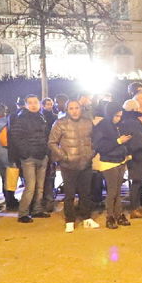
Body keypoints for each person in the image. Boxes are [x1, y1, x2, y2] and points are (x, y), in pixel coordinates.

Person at [48, 98, 98, 231]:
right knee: (69, 194)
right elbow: (52, 142)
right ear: (67, 110)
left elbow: (95, 140)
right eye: (71, 108)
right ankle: (69, 220)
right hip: (68, 165)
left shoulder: (88, 122)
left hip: (85, 162)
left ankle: (86, 217)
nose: (74, 111)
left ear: (81, 109)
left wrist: (91, 153)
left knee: (85, 192)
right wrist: (64, 157)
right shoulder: (60, 123)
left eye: (76, 108)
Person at [8, 95, 51, 224]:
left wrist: (46, 152)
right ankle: (23, 213)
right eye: (30, 103)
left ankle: (37, 209)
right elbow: (16, 137)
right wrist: (25, 152)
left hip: (42, 155)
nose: (33, 105)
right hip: (29, 157)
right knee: (30, 186)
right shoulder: (21, 118)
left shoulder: (41, 117)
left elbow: (46, 136)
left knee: (40, 186)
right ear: (26, 105)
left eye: (35, 102)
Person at [92, 103, 133, 227]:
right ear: (110, 114)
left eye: (120, 116)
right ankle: (110, 216)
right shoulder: (102, 126)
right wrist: (119, 141)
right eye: (116, 115)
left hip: (120, 160)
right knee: (112, 191)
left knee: (117, 191)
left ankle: (118, 214)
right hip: (108, 162)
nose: (119, 118)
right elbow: (100, 146)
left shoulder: (117, 126)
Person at [119, 99, 142, 219]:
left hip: (134, 155)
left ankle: (137, 206)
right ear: (134, 109)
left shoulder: (125, 120)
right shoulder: (132, 122)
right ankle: (135, 208)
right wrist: (141, 151)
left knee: (137, 182)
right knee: (137, 182)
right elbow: (137, 139)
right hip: (138, 155)